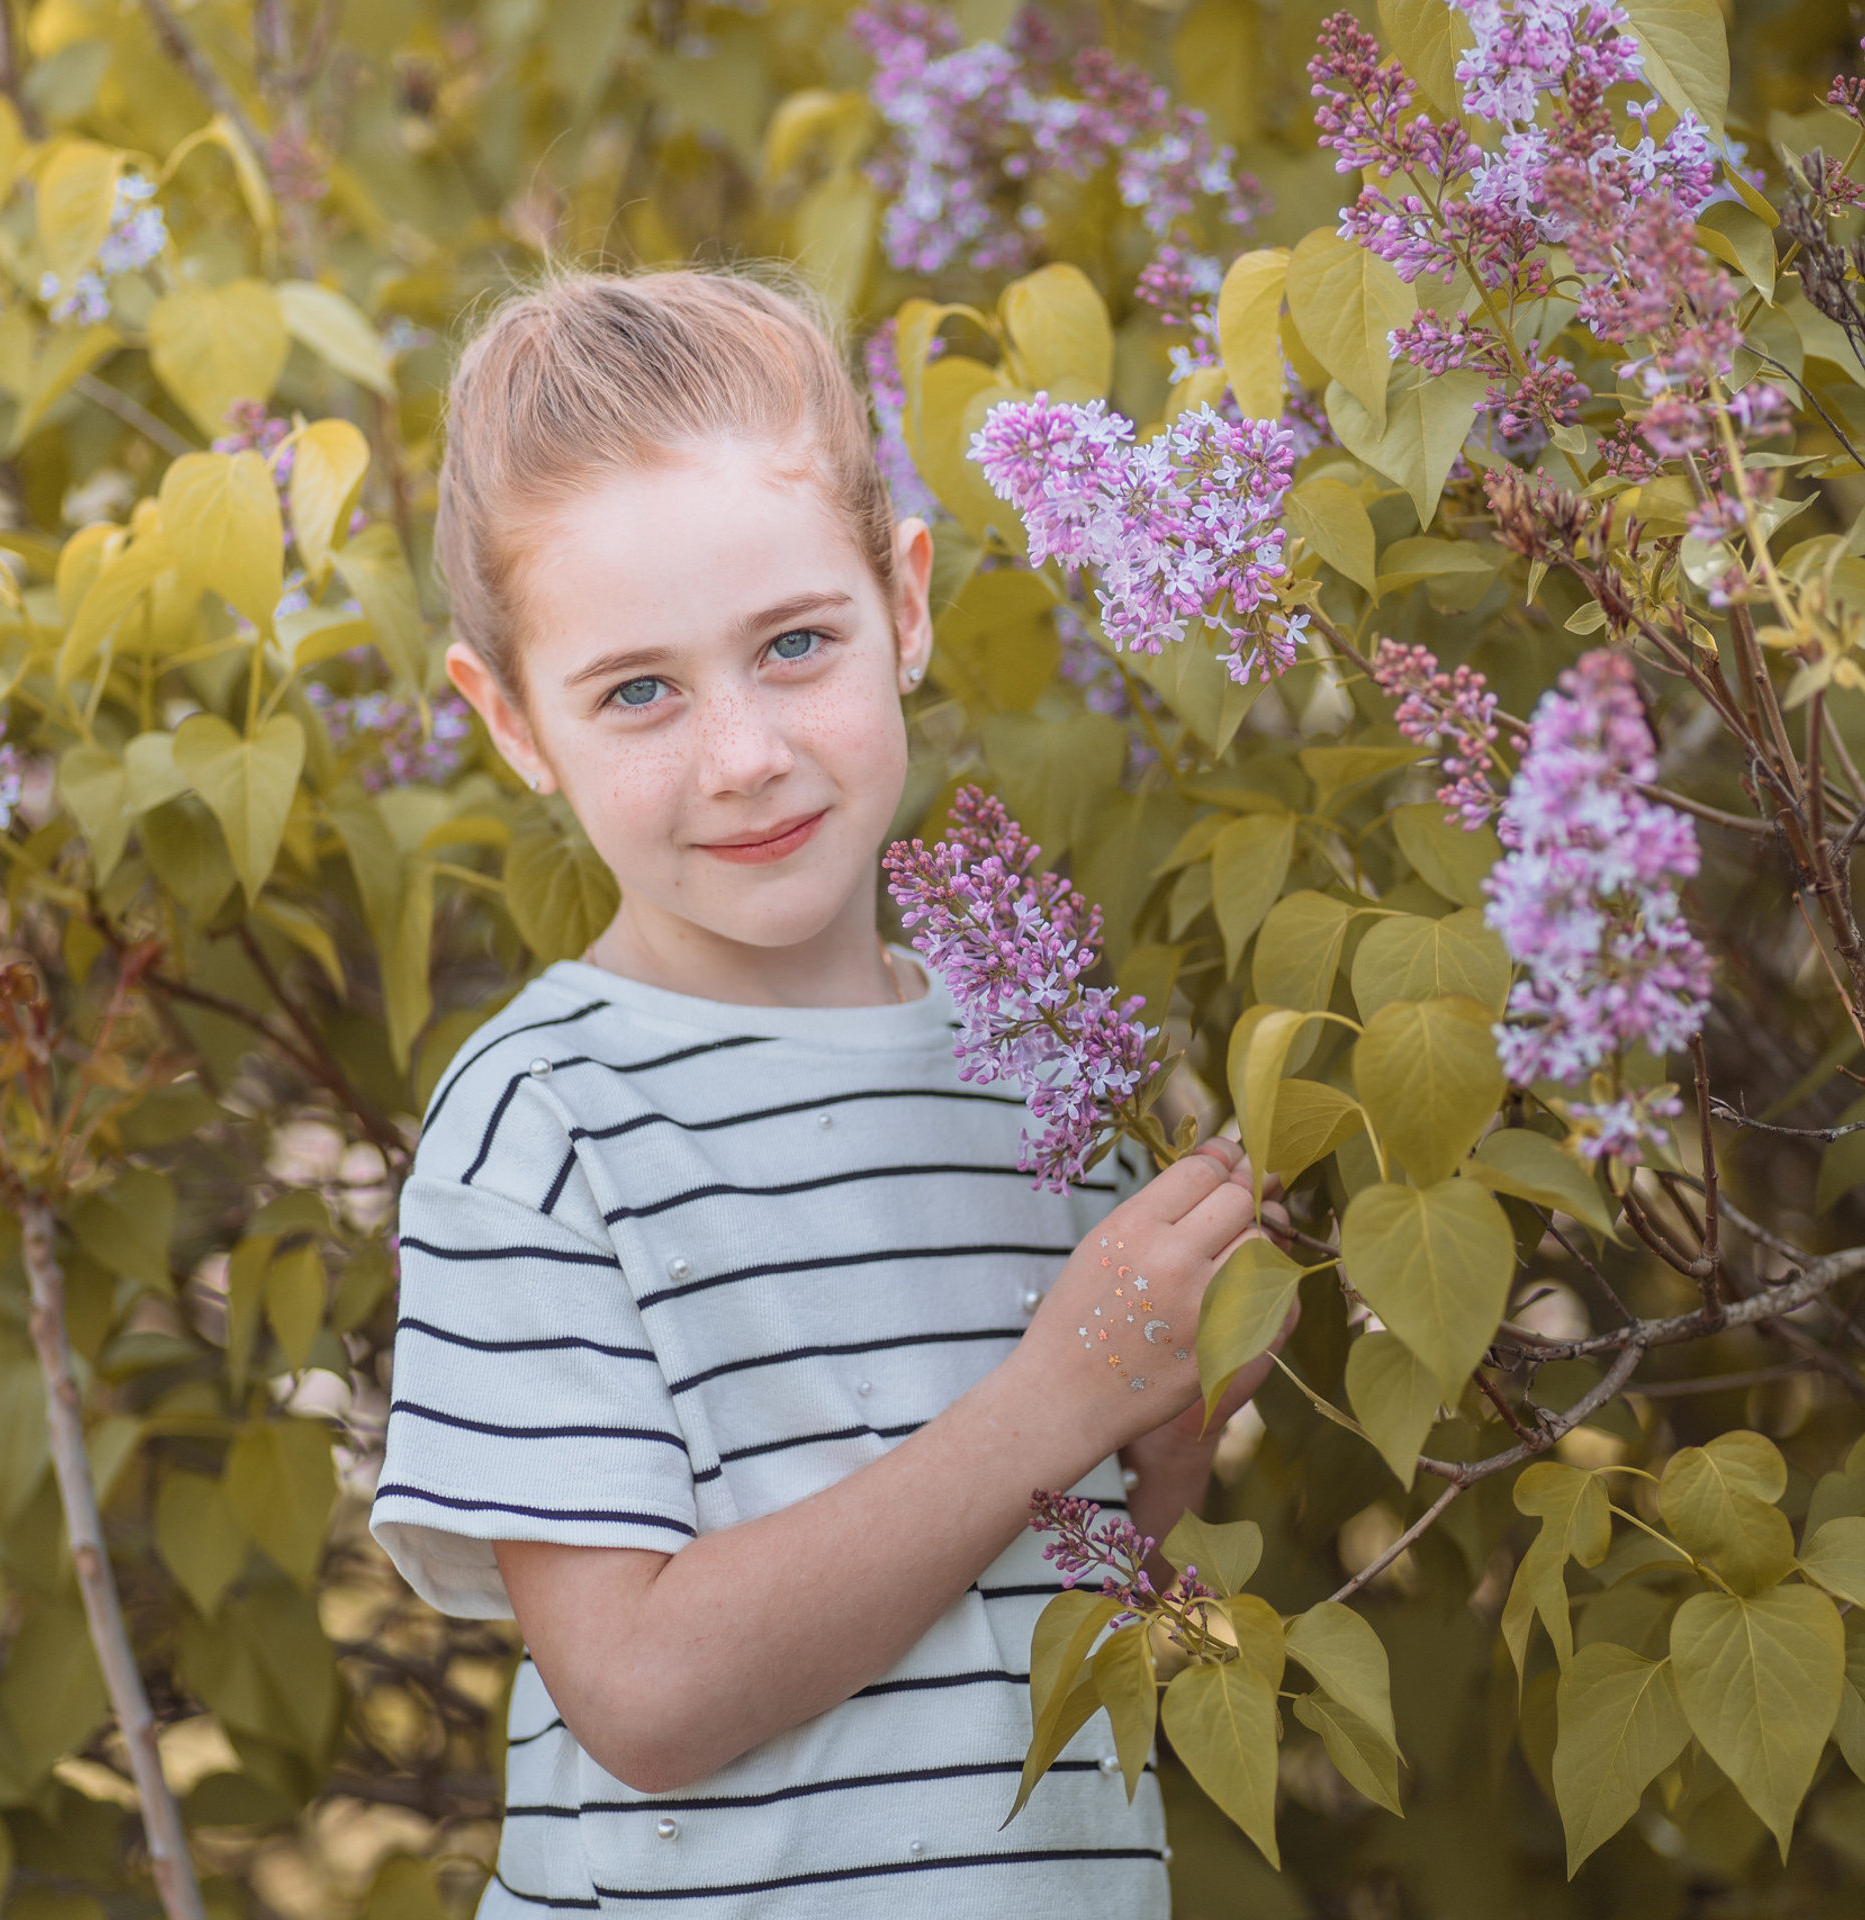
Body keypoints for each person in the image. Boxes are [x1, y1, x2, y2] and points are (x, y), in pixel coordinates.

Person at [371, 268, 1285, 1919]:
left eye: (796, 646)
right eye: (637, 690)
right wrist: (1062, 1395)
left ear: (906, 604)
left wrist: (1176, 1409)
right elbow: (641, 1697)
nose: (742, 754)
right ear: (509, 721)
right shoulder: (543, 1122)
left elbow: (1090, 1562)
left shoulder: (1044, 1065)